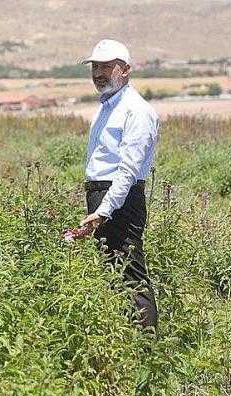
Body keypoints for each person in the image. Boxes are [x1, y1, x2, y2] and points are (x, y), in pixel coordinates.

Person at [79, 39, 159, 329]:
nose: (99, 73)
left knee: (131, 274)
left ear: (125, 70)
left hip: (120, 199)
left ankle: (147, 349)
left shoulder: (135, 110)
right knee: (113, 273)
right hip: (105, 195)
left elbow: (127, 170)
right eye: (95, 67)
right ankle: (126, 339)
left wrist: (104, 210)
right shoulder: (107, 107)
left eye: (107, 67)